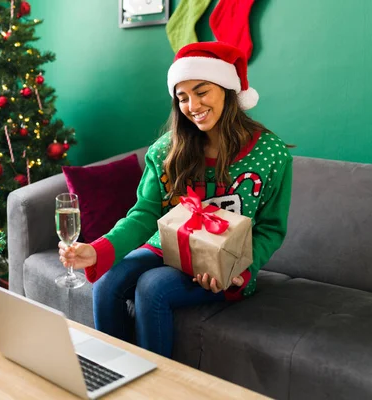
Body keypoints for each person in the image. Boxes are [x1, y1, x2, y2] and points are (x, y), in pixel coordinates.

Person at [59, 41, 292, 358]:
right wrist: (96, 250)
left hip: (226, 267)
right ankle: (112, 374)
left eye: (201, 91)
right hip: (166, 246)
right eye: (182, 97)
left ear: (226, 89)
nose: (192, 105)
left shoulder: (271, 155)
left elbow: (271, 229)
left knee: (153, 287)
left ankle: (155, 388)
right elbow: (144, 214)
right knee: (106, 283)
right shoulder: (167, 150)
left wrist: (240, 272)